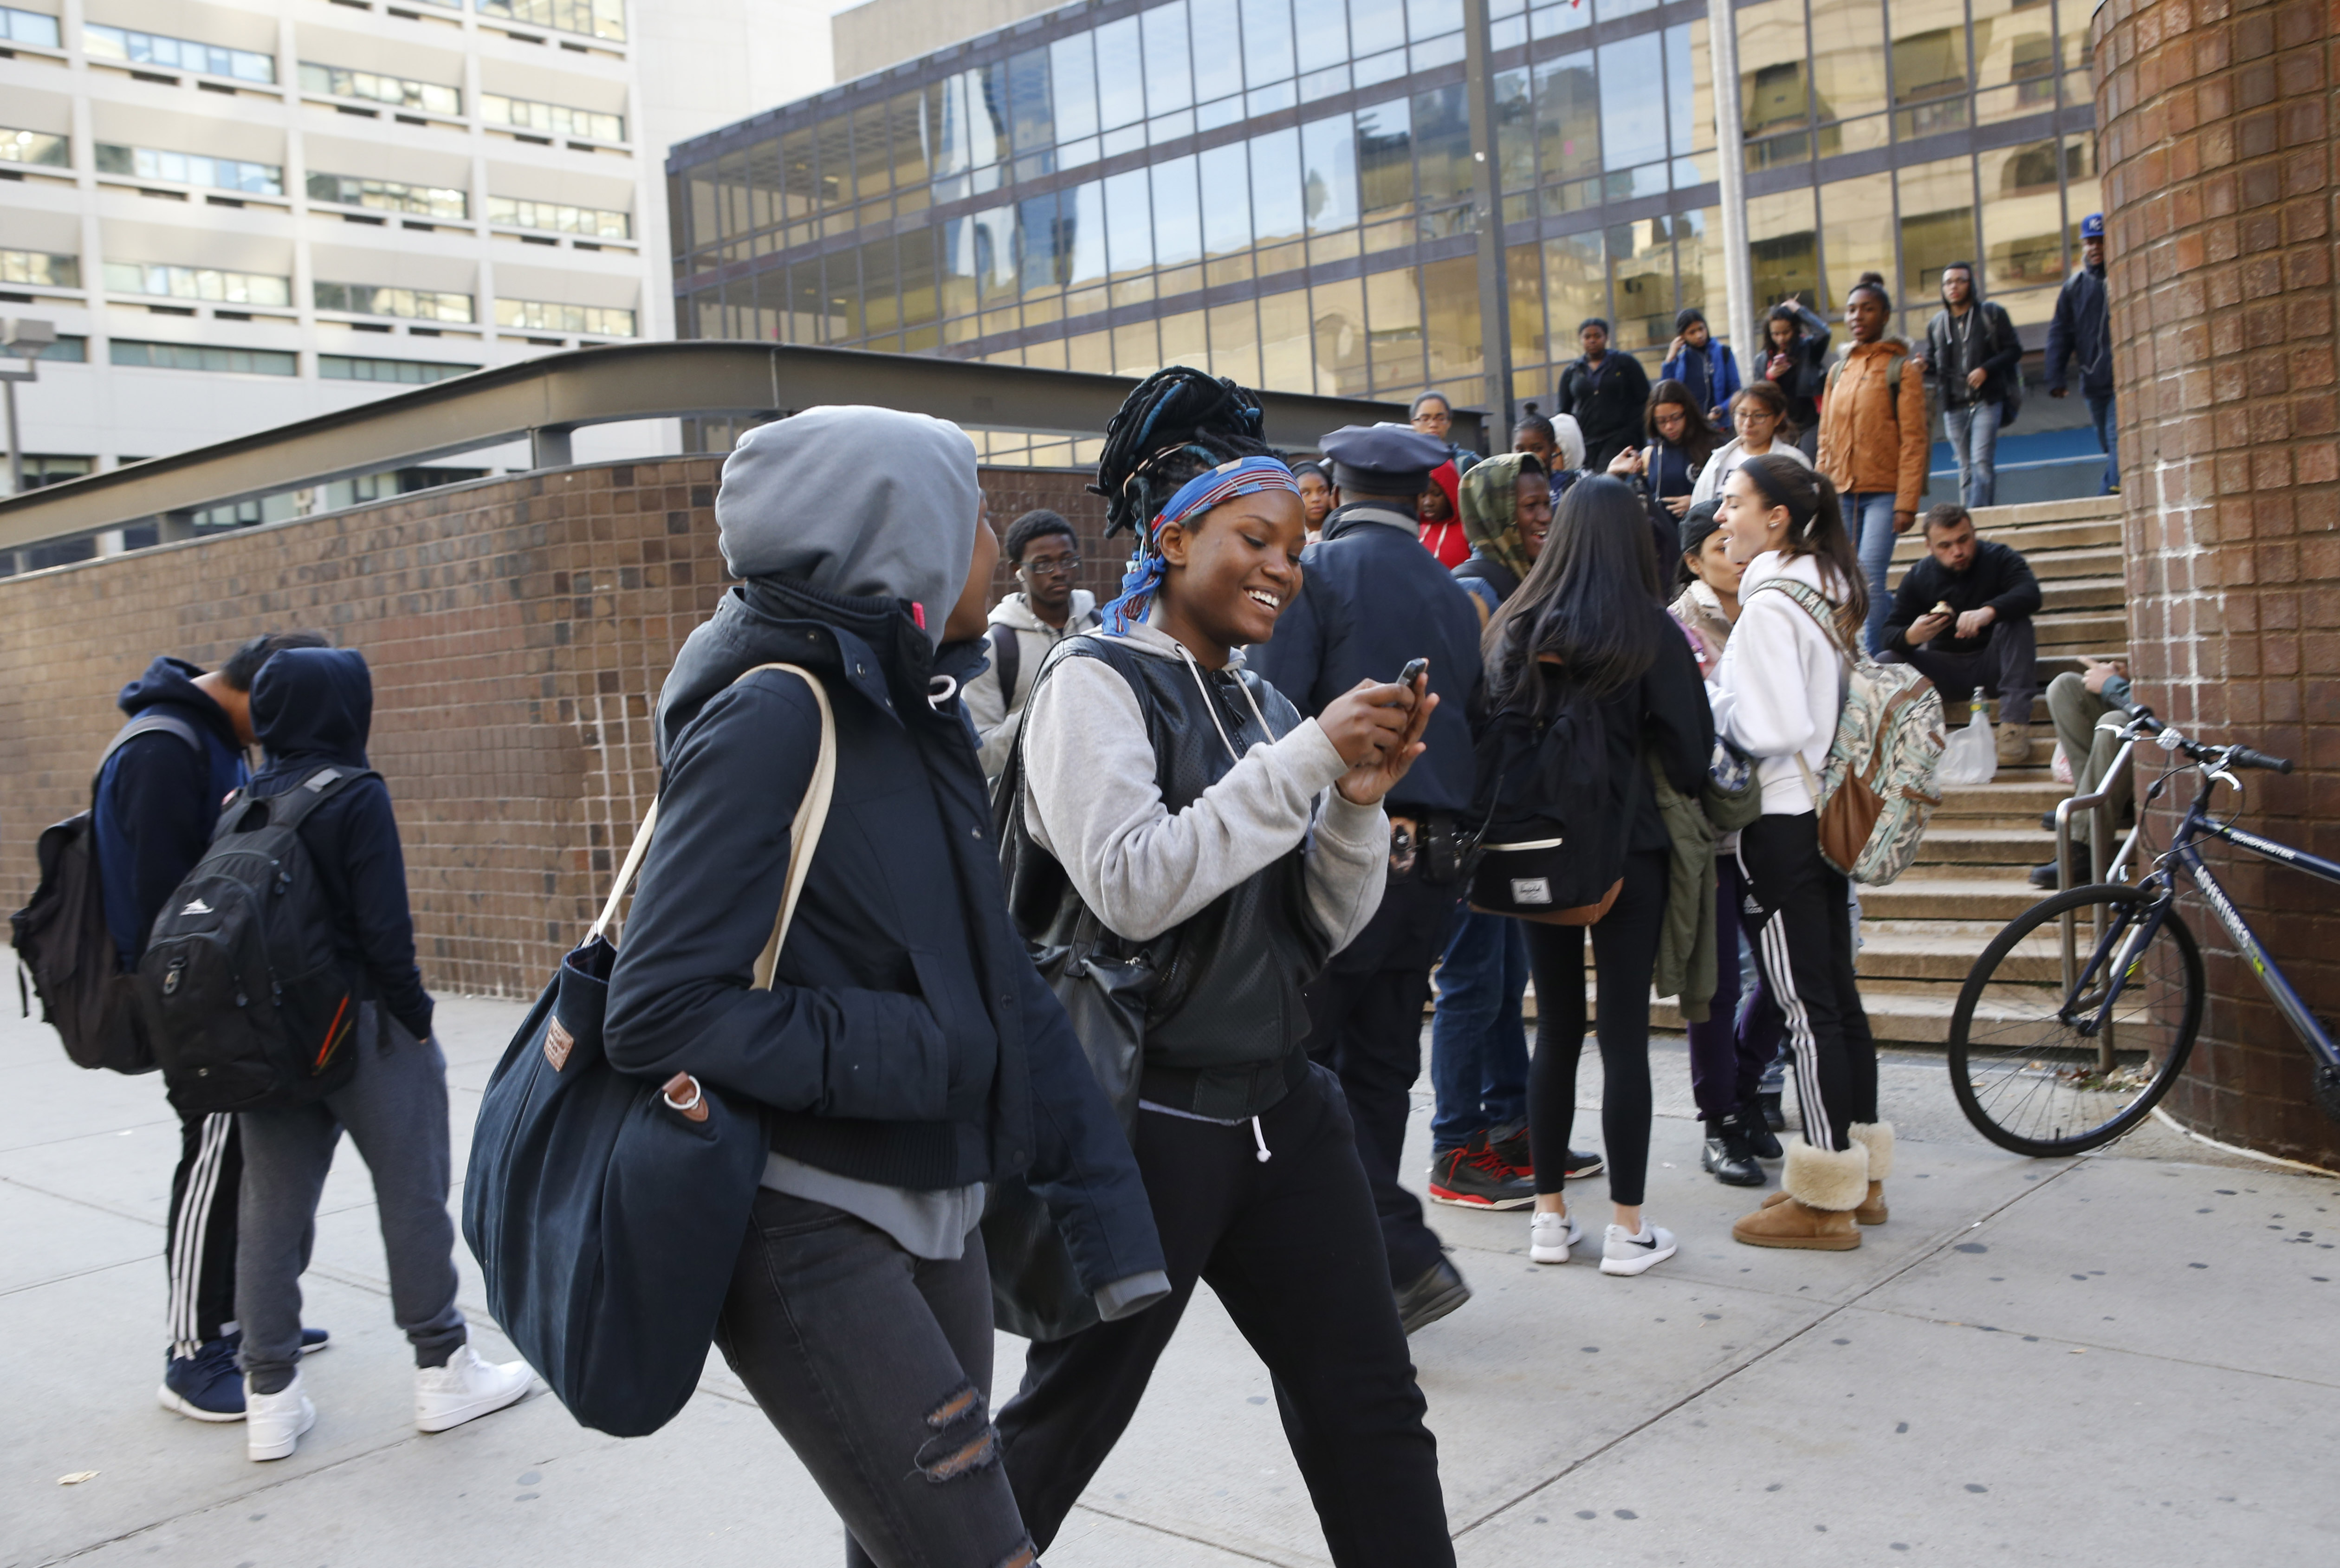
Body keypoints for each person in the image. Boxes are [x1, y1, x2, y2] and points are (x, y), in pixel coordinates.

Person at [604, 406, 1166, 1568]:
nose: (995, 538)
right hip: (806, 1220)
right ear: (892, 538)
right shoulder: (770, 711)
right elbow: (656, 1007)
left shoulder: (912, 705)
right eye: (969, 514)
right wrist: (922, 1047)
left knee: (902, 1549)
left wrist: (1104, 1213)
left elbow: (995, 977)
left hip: (935, 1198)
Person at [995, 369, 1455, 1567]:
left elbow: (1319, 927)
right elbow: (1134, 881)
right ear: (1173, 533)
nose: (1283, 569)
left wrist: (1355, 805)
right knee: (1057, 1433)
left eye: (1295, 548)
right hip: (1151, 1125)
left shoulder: (1252, 700)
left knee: (1373, 1415)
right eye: (1256, 539)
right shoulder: (1088, 684)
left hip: (1283, 1110)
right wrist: (1307, 759)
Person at [233, 646, 534, 1462]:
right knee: (410, 1194)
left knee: (269, 1212)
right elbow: (385, 929)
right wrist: (416, 1021)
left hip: (270, 1041)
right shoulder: (354, 794)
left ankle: (269, 1394)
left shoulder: (245, 799)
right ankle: (442, 1367)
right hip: (363, 1027)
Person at [1248, 420, 1486, 1334]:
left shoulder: (1324, 577)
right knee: (1381, 1066)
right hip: (1437, 860)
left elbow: (1278, 718)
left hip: (1349, 847)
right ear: (1420, 499)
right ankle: (1366, 1268)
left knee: (1299, 1062)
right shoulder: (1448, 587)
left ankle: (1392, 1250)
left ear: (1338, 490)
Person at [96, 635, 331, 1423]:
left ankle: (253, 1323)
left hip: (217, 992)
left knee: (245, 1159)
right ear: (256, 691)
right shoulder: (167, 747)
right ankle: (193, 1351)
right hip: (189, 999)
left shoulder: (208, 737)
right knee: (212, 1161)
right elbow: (169, 905)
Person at [1488, 476, 1711, 1276]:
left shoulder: (1516, 622)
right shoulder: (1647, 630)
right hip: (1627, 851)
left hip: (1533, 855)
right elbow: (1692, 759)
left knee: (1553, 1029)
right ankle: (1627, 1226)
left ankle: (1549, 1217)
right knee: (1622, 1037)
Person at [1709, 454, 1894, 1250]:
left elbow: (1773, 726)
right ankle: (1863, 1175)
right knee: (1835, 998)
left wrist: (1717, 709)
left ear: (1777, 518)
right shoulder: (1829, 591)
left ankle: (1823, 1199)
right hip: (1825, 818)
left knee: (1803, 1007)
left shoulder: (1769, 610)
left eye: (1735, 503)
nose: (1724, 517)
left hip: (1779, 819)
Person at [1425, 453, 1593, 1209]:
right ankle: (1454, 1147)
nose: (1543, 513)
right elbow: (1459, 712)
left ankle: (1511, 1126)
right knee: (1468, 983)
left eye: (1546, 500)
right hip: (1471, 824)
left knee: (1503, 982)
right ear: (1493, 509)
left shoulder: (1525, 586)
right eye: (1527, 503)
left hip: (1508, 820)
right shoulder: (1473, 591)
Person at [1668, 507, 1789, 1185]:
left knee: (1781, 971)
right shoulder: (1681, 624)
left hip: (1775, 823)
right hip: (1709, 833)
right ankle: (1719, 1119)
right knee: (1711, 986)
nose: (1737, 555)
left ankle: (1743, 1089)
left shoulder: (1771, 612)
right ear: (1694, 560)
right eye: (1721, 546)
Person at [1816, 276, 1929, 654]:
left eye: (1867, 309)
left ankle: (1871, 659)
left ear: (1884, 316)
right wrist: (1820, 491)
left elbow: (1915, 441)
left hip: (1884, 493)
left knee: (1869, 576)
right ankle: (1852, 648)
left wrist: (1906, 502)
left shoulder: (1902, 369)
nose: (1857, 316)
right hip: (1841, 492)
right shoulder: (1837, 371)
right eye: (1851, 309)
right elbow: (1825, 438)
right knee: (1845, 578)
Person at [1880, 504, 2040, 767]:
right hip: (1945, 670)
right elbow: (1888, 633)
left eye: (1964, 540)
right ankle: (1907, 740)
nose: (1958, 552)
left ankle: (2014, 726)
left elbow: (2031, 594)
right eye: (1945, 546)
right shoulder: (1920, 576)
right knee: (1887, 659)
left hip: (1996, 664)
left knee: (2017, 623)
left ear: (1974, 533)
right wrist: (1912, 635)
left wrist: (1989, 612)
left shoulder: (1999, 558)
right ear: (1929, 547)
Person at [963, 506, 1102, 781]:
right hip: (1028, 814)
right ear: (1018, 571)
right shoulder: (994, 647)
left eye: (1068, 560)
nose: (1059, 572)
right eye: (1043, 564)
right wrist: (1045, 714)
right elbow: (979, 754)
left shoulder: (1102, 630)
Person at [2031, 655, 2136, 888]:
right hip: (2137, 701)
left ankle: (2083, 844)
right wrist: (2128, 676)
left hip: (2164, 735)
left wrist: (2111, 685)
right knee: (2065, 686)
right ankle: (2091, 802)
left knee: (2114, 724)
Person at [1924, 262, 2022, 509]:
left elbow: (2014, 350)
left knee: (1981, 461)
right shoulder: (1937, 324)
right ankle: (1968, 520)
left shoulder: (1991, 314)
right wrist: (1922, 366)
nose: (1954, 287)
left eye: (1960, 281)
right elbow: (1933, 364)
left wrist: (1985, 369)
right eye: (1948, 282)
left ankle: (1979, 515)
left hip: (1987, 400)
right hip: (1953, 404)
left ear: (1971, 285)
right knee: (1965, 465)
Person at [1609, 379, 1721, 571]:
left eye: (1675, 418)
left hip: (1705, 542)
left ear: (1688, 413)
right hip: (1665, 549)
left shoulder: (1715, 446)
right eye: (1662, 422)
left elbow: (1730, 494)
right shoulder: (1651, 454)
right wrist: (1616, 473)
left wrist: (1698, 501)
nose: (1669, 426)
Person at [2047, 213, 2117, 494]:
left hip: (2120, 383)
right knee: (2108, 444)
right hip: (2093, 383)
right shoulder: (2074, 287)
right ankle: (2113, 486)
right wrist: (2056, 377)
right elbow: (2060, 332)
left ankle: (2107, 497)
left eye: (2100, 241)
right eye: (2089, 242)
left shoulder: (2122, 278)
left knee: (2118, 441)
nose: (2095, 248)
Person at [1554, 317, 1653, 473]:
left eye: (1597, 336)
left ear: (1606, 337)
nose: (1592, 341)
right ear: (1581, 340)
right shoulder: (1572, 372)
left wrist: (1631, 430)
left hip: (1619, 438)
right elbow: (1563, 413)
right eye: (1588, 337)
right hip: (1585, 442)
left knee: (1608, 478)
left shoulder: (1625, 364)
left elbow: (1644, 400)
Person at [1691, 381, 1811, 506]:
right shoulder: (1719, 459)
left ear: (1778, 419)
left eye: (1759, 416)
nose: (1748, 423)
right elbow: (1698, 509)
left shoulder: (1793, 461)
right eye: (1742, 414)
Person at [1760, 301, 1833, 458]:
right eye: (1776, 334)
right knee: (1787, 472)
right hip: (1781, 426)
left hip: (1810, 422)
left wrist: (1800, 310)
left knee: (1809, 466)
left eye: (1786, 332)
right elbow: (1758, 394)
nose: (1781, 339)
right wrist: (1770, 376)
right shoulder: (1763, 359)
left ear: (1794, 328)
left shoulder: (1808, 348)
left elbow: (1824, 333)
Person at [1661, 307, 1741, 427]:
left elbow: (1736, 391)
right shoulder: (1679, 358)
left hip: (1720, 425)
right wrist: (1670, 359)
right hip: (1689, 427)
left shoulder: (1723, 352)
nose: (1699, 335)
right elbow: (1665, 394)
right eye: (1692, 332)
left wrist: (1721, 409)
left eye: (1701, 329)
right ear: (1682, 336)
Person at [1512, 401, 1586, 479]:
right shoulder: (1509, 488)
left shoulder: (1574, 482)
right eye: (1520, 450)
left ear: (1553, 448)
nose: (1528, 456)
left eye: (1537, 449)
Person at [1417, 458, 1467, 569]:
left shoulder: (1468, 529)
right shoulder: (1416, 530)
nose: (1428, 502)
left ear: (1451, 493)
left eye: (1436, 494)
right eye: (1423, 495)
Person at [1292, 458, 1335, 541]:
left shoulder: (1341, 533)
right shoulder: (1285, 537)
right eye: (1306, 493)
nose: (1316, 499)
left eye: (1322, 491)